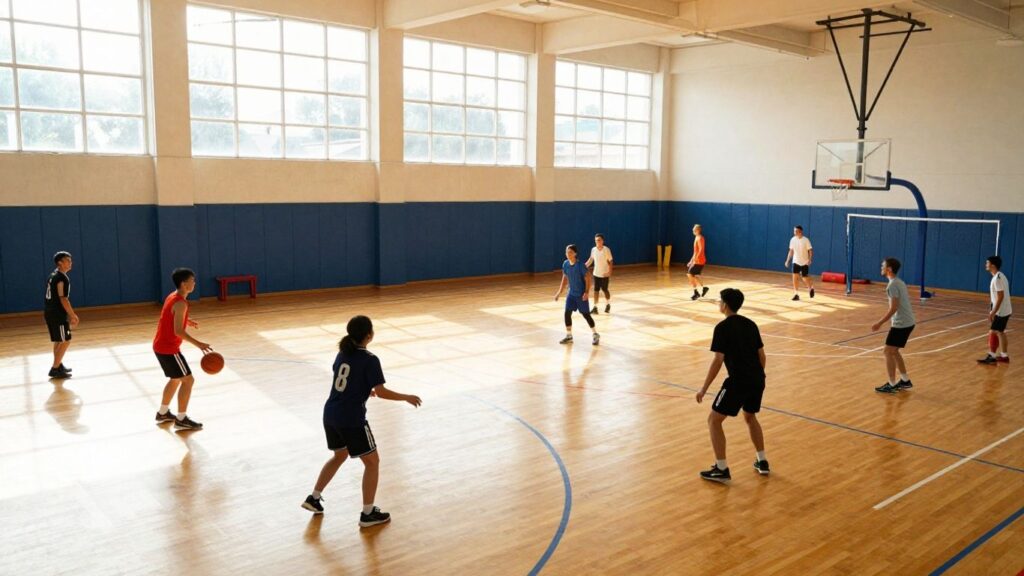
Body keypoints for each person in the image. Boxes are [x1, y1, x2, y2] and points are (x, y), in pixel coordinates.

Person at [302, 315, 422, 527]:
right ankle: (367, 514)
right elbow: (382, 391)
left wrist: (365, 390)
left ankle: (314, 497)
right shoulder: (370, 359)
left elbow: (345, 381)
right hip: (352, 419)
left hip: (330, 414)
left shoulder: (342, 353)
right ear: (369, 335)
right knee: (372, 462)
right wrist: (406, 397)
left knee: (339, 455)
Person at [695, 288, 769, 483]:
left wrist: (704, 388)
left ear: (725, 305)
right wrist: (758, 376)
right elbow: (762, 356)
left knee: (714, 420)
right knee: (750, 416)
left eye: (720, 301)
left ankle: (721, 468)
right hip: (757, 379)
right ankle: (762, 461)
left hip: (738, 381)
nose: (719, 304)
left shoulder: (722, 328)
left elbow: (718, 360)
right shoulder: (751, 324)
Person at [153, 268, 211, 430]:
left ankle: (163, 413)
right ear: (184, 284)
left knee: (175, 378)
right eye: (192, 280)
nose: (194, 283)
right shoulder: (180, 303)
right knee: (188, 380)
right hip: (169, 349)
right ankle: (181, 418)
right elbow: (178, 331)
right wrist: (199, 344)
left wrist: (187, 320)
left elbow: (171, 317)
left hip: (160, 346)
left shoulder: (173, 296)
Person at [871, 258, 915, 394]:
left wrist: (879, 322)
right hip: (908, 322)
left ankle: (891, 384)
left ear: (889, 269)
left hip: (901, 324)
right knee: (894, 351)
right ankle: (905, 380)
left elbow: (894, 308)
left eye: (883, 265)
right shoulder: (899, 282)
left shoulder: (892, 285)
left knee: (887, 351)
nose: (881, 267)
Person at [555, 244, 599, 345]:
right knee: (567, 313)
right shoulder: (565, 264)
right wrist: (559, 292)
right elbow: (565, 278)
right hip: (571, 294)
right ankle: (569, 335)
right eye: (567, 252)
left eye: (570, 252)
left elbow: (588, 278)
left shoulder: (580, 266)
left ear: (575, 253)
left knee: (586, 315)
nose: (568, 254)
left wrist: (587, 292)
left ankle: (595, 334)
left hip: (581, 294)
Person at [44, 251, 79, 379]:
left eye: (71, 261)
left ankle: (58, 365)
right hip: (57, 314)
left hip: (50, 312)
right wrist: (72, 315)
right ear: (60, 263)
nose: (71, 263)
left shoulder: (53, 275)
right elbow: (63, 298)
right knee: (66, 340)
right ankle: (54, 368)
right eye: (68, 261)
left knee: (59, 340)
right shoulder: (62, 278)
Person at [978, 255, 1011, 364]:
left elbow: (1000, 296)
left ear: (992, 265)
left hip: (1001, 311)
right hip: (1004, 309)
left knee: (993, 331)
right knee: (1000, 332)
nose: (986, 265)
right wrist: (992, 308)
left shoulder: (997, 278)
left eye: (987, 263)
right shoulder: (999, 276)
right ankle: (1004, 356)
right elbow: (997, 297)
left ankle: (991, 357)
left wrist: (993, 312)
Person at [784, 225, 815, 301]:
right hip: (796, 261)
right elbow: (791, 251)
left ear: (800, 232)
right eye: (794, 231)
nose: (794, 232)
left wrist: (810, 259)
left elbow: (810, 250)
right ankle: (796, 294)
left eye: (796, 231)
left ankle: (810, 288)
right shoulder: (792, 240)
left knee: (804, 278)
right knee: (795, 278)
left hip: (804, 262)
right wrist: (787, 260)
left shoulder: (806, 240)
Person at [585, 233, 614, 314]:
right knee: (596, 290)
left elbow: (611, 261)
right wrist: (584, 266)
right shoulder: (593, 249)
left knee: (605, 289)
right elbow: (590, 259)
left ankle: (608, 304)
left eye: (599, 240)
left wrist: (609, 272)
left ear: (602, 241)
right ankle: (595, 307)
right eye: (596, 240)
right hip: (596, 274)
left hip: (604, 274)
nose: (597, 242)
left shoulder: (606, 250)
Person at [687, 224, 709, 301]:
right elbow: (695, 251)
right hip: (697, 260)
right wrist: (691, 260)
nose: (693, 231)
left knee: (690, 274)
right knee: (696, 275)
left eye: (694, 229)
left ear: (698, 230)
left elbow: (701, 250)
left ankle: (696, 293)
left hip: (700, 260)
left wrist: (695, 260)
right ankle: (704, 288)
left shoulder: (700, 238)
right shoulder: (696, 237)